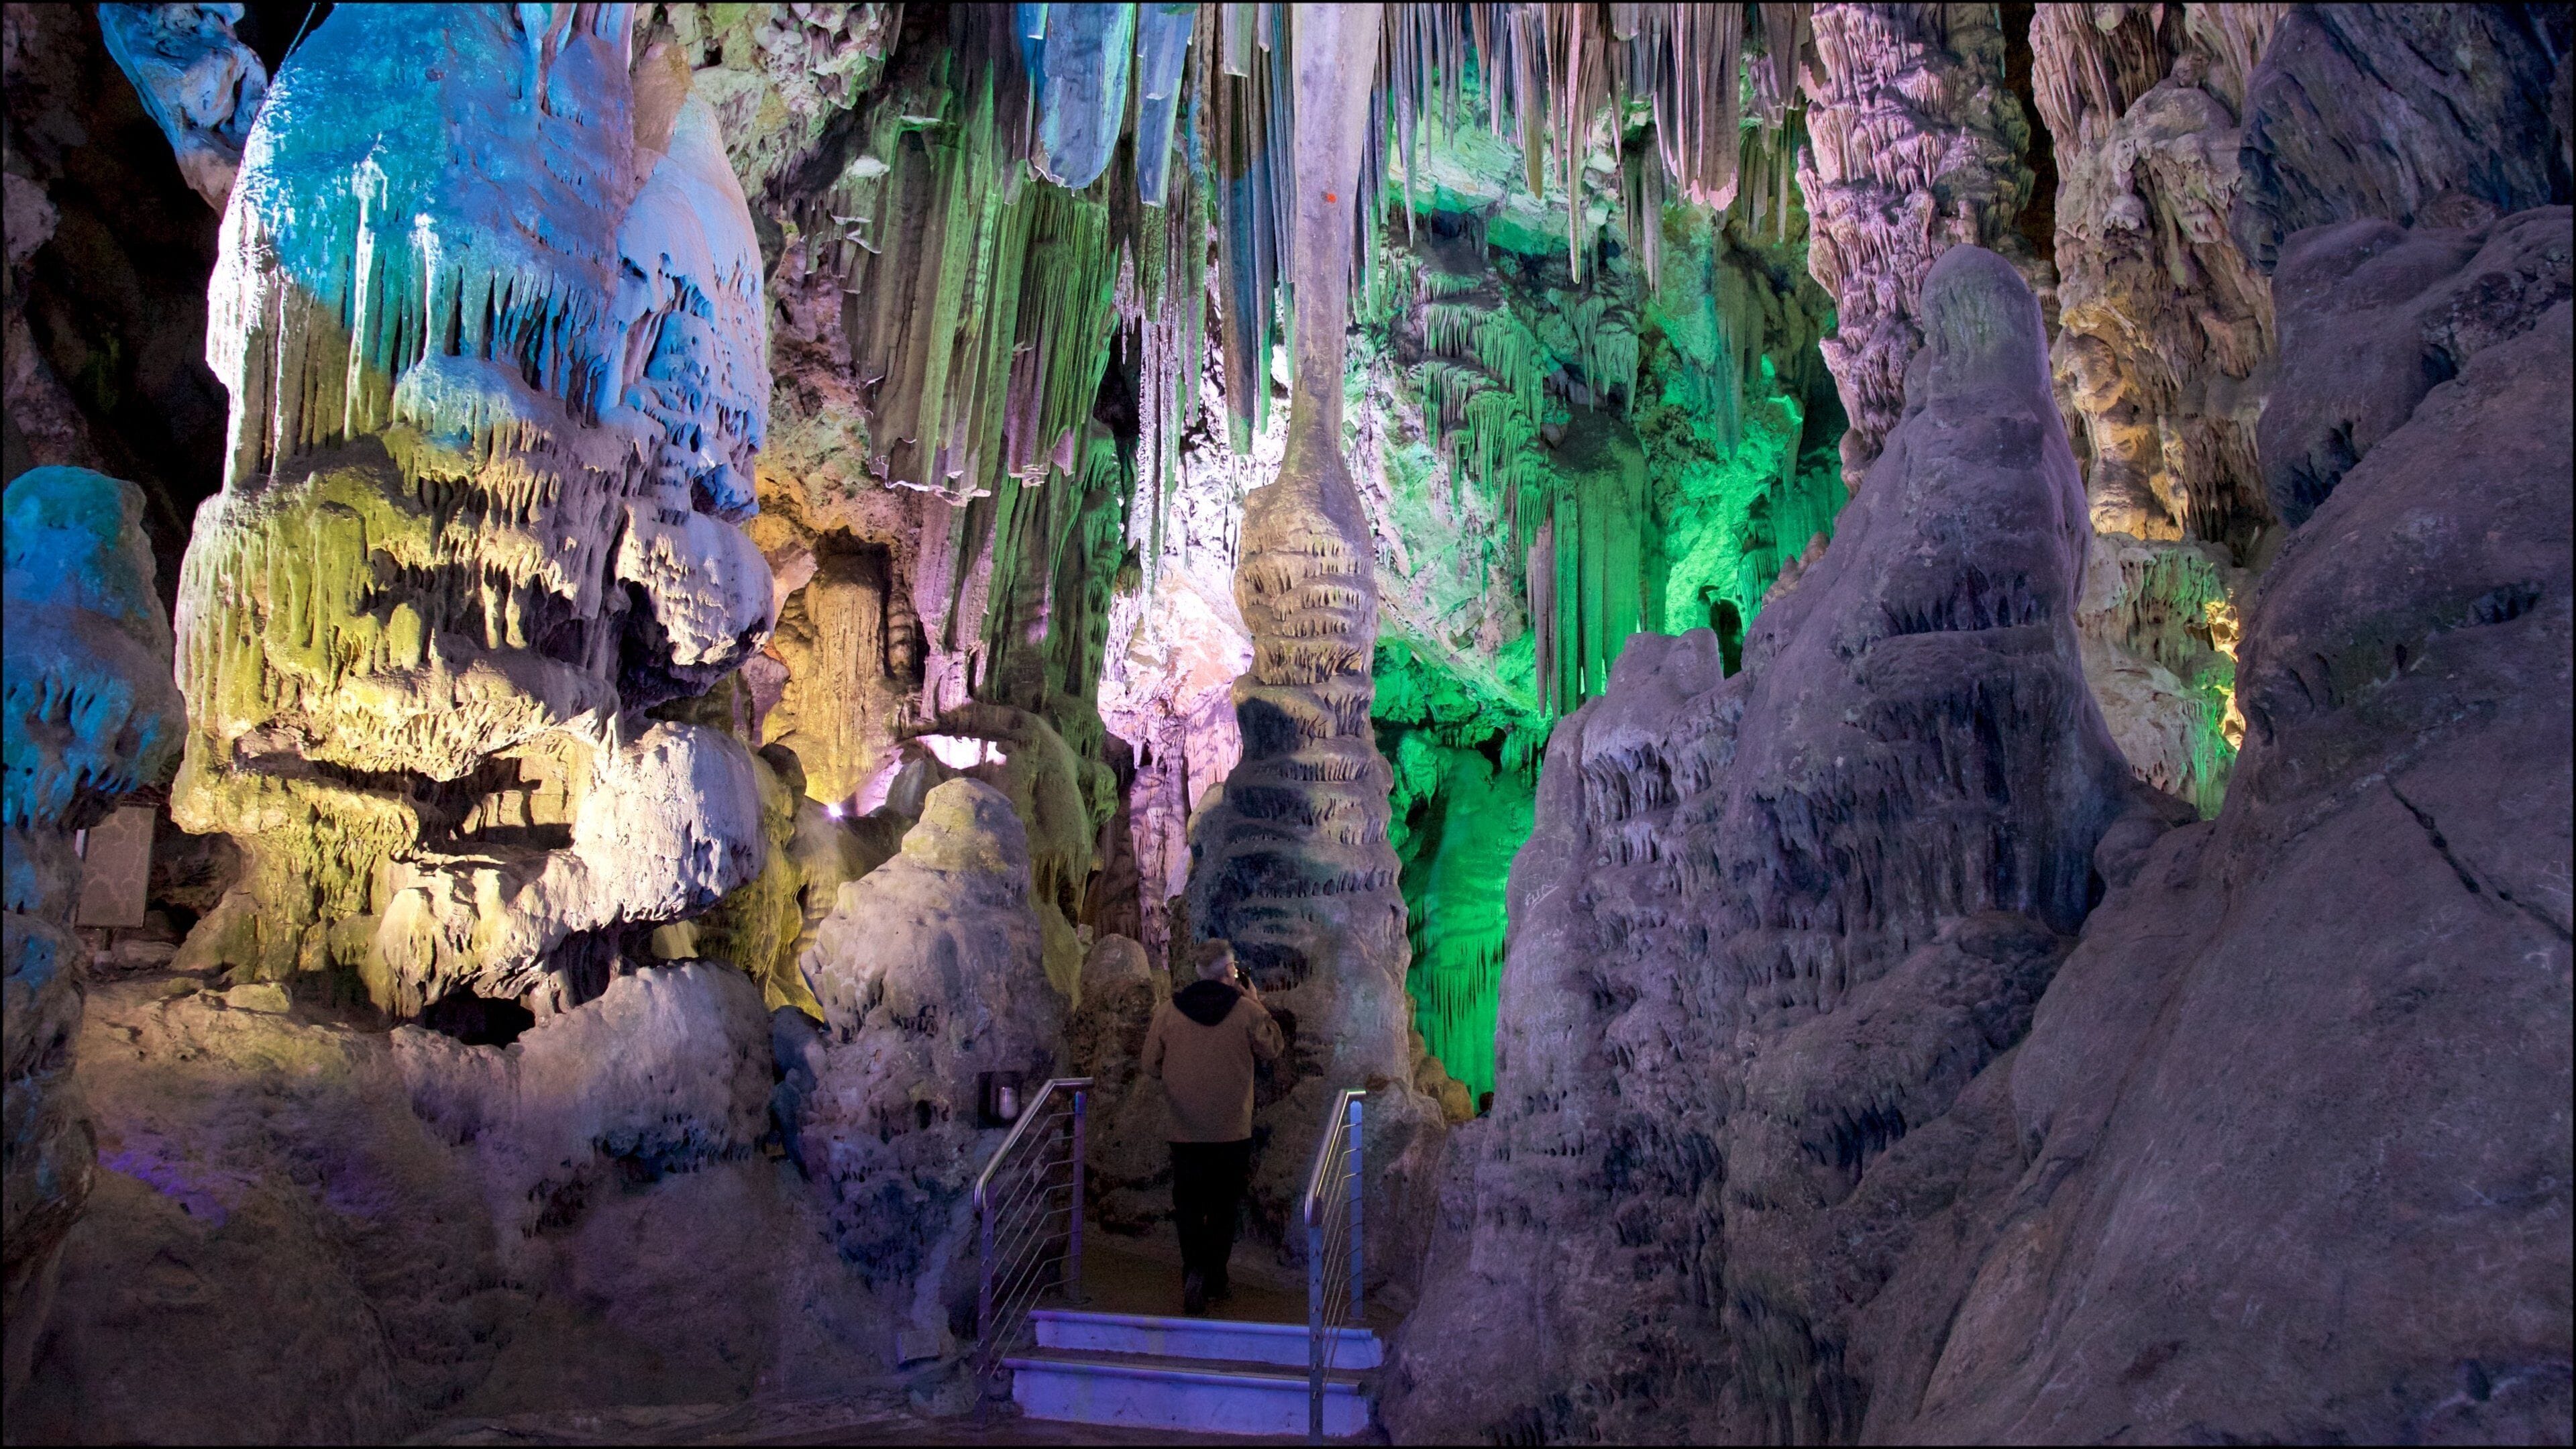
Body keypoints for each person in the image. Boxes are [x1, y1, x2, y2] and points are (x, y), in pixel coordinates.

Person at [1140, 938, 1283, 1316]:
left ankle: (1194, 1272)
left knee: (1188, 1204)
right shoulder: (1246, 1013)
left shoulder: (1169, 1012)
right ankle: (1215, 1279)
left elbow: (1150, 1064)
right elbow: (1273, 1048)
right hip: (1231, 1129)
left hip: (1183, 1129)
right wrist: (1255, 1001)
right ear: (1229, 972)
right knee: (1223, 1206)